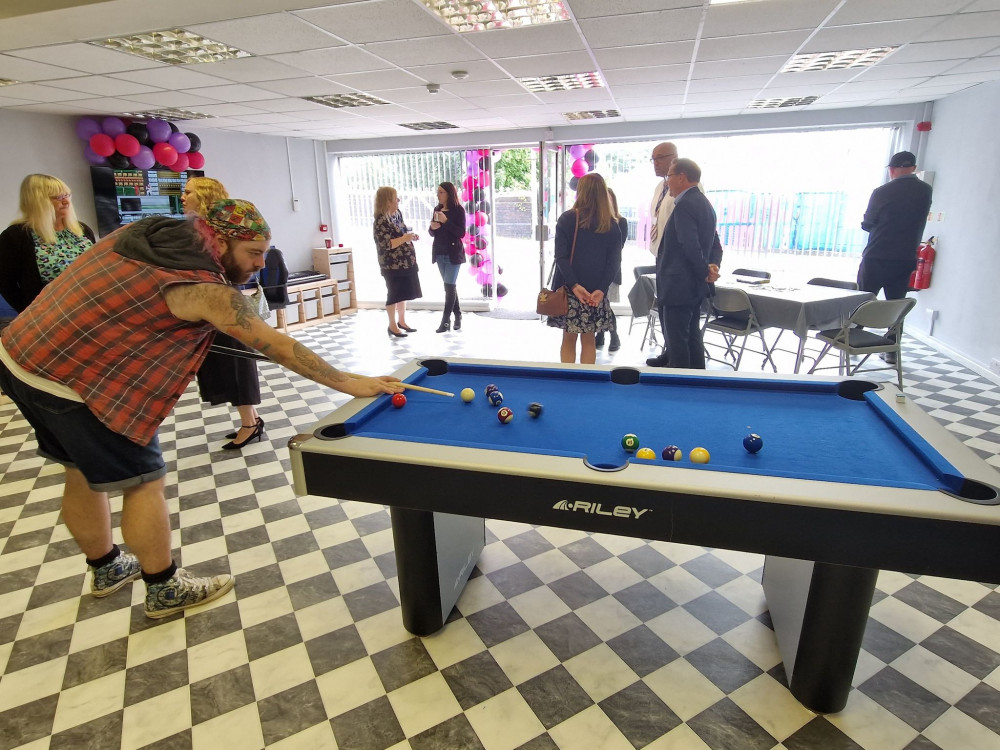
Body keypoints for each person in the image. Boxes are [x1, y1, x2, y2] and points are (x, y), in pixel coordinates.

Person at [0, 199, 401, 620]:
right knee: (143, 483)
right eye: (253, 253)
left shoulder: (149, 232)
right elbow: (277, 345)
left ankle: (106, 568)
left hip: (21, 356)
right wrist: (349, 382)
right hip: (78, 382)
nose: (262, 264)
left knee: (78, 470)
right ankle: (164, 587)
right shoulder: (203, 287)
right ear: (219, 240)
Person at [183, 177, 268, 450]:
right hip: (210, 308)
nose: (183, 197)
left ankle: (249, 424)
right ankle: (251, 419)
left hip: (224, 306)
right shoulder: (198, 228)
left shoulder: (223, 230)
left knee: (237, 365)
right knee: (225, 366)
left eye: (188, 192)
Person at [856, 151, 932, 365]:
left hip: (877, 255)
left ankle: (850, 342)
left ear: (892, 170)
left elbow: (868, 223)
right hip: (905, 258)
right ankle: (891, 350)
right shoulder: (925, 190)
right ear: (914, 168)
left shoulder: (882, 191)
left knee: (862, 300)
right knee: (896, 306)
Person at [546, 173, 622, 364]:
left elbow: (561, 257)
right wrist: (601, 290)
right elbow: (614, 262)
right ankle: (586, 382)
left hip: (570, 289)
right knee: (589, 338)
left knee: (568, 338)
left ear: (581, 192)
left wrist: (574, 285)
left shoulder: (567, 219)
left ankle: (568, 380)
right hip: (595, 291)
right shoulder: (612, 225)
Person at [654, 159, 720, 369]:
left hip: (678, 285)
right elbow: (715, 244)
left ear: (681, 177)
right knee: (692, 337)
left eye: (670, 177)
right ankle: (696, 384)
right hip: (693, 286)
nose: (668, 183)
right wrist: (712, 267)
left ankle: (677, 391)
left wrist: (704, 271)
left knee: (677, 343)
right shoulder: (704, 203)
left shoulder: (685, 205)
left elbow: (689, 246)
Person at [0, 174, 95, 312]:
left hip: (90, 309)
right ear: (36, 201)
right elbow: (5, 284)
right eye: (58, 197)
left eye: (68, 195)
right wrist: (30, 312)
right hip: (50, 316)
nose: (67, 202)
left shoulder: (82, 230)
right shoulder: (16, 236)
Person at [373, 187, 421, 337]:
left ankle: (402, 321)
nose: (398, 201)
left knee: (404, 292)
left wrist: (411, 236)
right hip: (391, 264)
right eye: (395, 198)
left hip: (406, 261)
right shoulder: (380, 220)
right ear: (387, 201)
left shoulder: (397, 214)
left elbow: (402, 231)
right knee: (394, 293)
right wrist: (404, 238)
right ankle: (392, 325)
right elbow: (386, 244)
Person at [427, 181, 467, 333]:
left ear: (449, 194)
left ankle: (445, 321)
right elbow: (432, 233)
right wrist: (432, 227)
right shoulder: (437, 209)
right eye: (437, 192)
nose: (438, 195)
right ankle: (458, 315)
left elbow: (461, 233)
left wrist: (446, 221)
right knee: (449, 286)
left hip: (453, 254)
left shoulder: (458, 210)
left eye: (441, 192)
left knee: (449, 287)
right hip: (439, 253)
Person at [597, 188, 628, 352]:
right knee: (602, 305)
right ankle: (601, 335)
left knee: (606, 305)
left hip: (611, 271)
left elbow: (617, 248)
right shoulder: (596, 221)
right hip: (595, 272)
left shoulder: (620, 222)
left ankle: (614, 335)